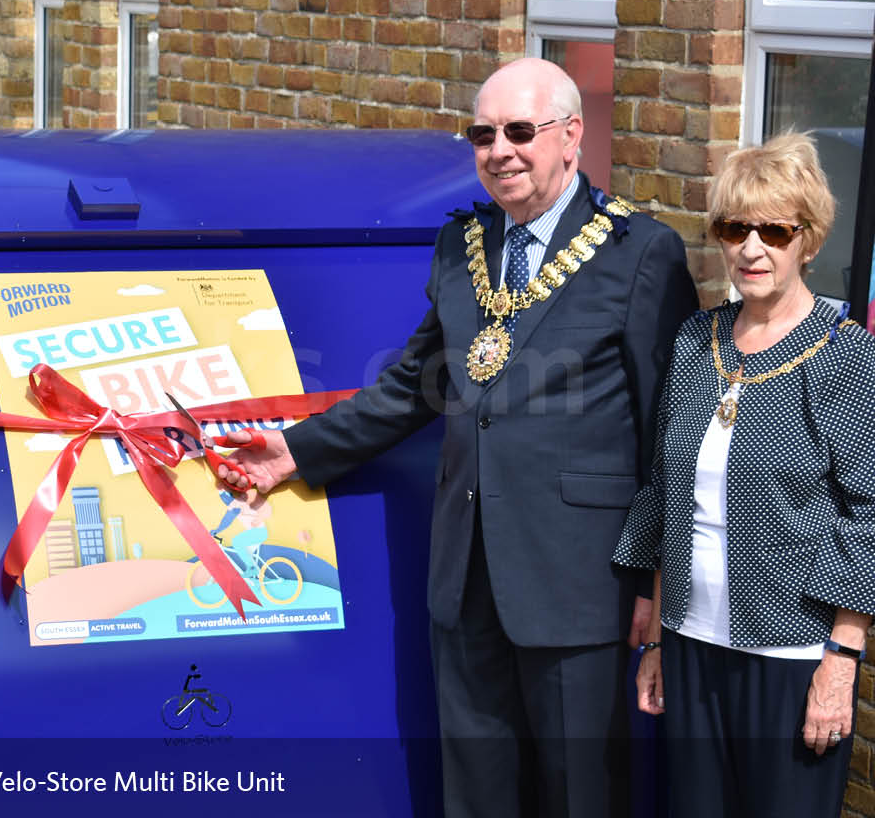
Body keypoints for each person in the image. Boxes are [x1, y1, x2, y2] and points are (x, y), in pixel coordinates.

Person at [217, 57, 698, 817]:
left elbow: (666, 434)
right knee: (475, 795)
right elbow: (417, 383)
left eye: (519, 131)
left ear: (572, 136)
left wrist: (653, 579)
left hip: (578, 583)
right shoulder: (461, 246)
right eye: (482, 134)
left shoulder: (638, 253)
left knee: (581, 797)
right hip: (465, 574)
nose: (499, 150)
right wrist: (295, 450)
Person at [613, 132, 875, 817]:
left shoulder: (844, 357)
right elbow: (668, 496)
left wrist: (841, 662)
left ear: (808, 241)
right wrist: (659, 641)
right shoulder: (698, 341)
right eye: (735, 228)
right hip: (692, 645)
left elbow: (867, 514)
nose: (751, 247)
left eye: (774, 230)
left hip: (793, 652)